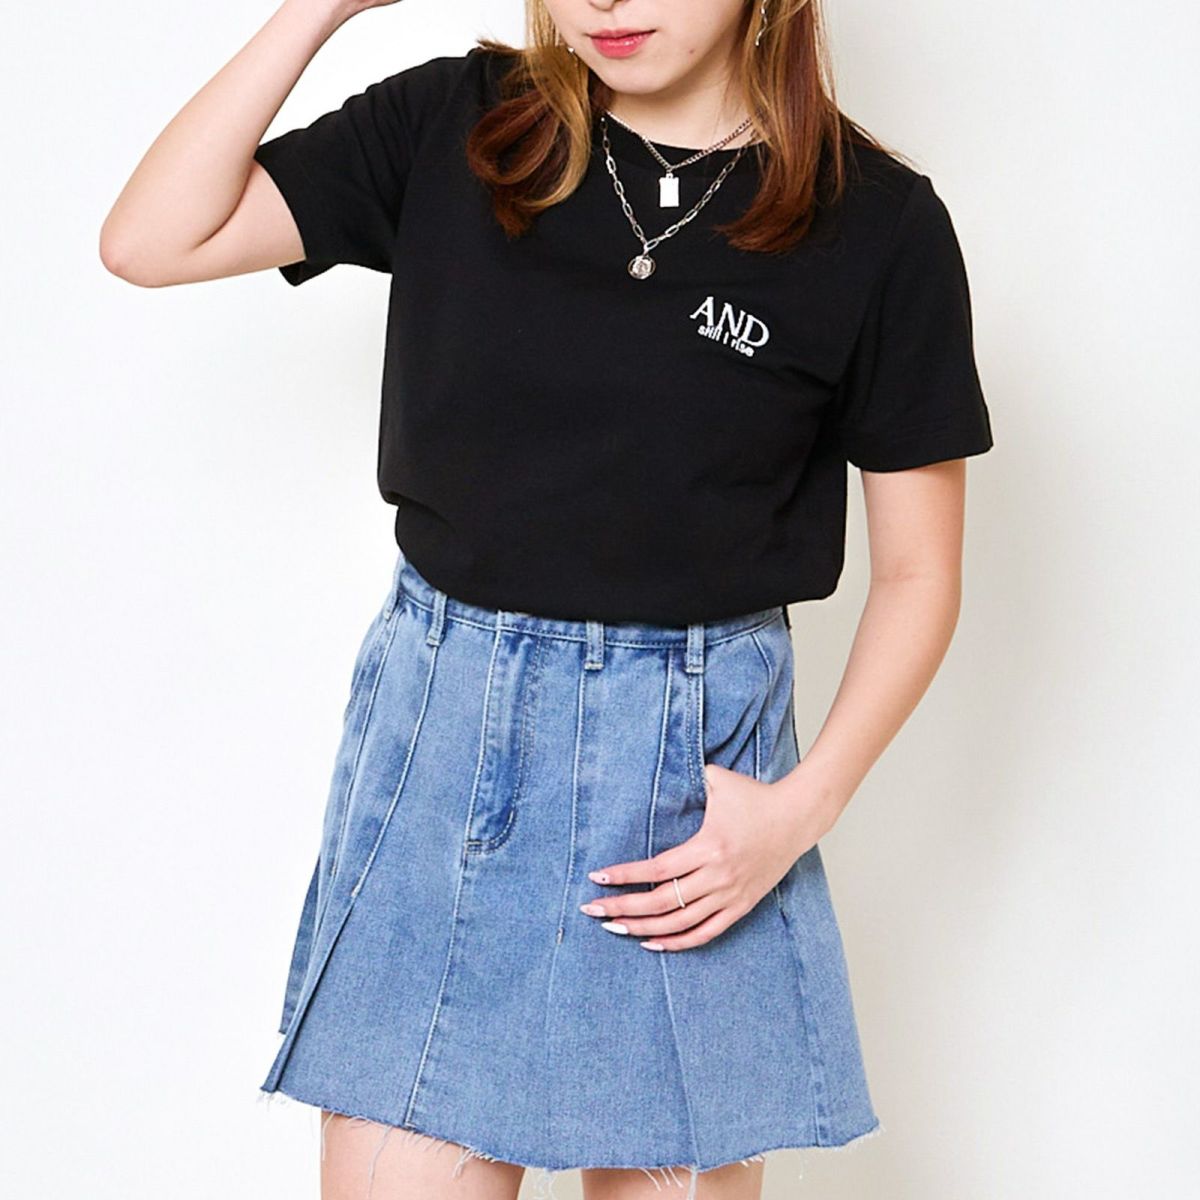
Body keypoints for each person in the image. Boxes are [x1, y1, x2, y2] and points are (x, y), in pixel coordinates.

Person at [100, 1, 994, 1197]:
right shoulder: (461, 123)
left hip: (682, 791)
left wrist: (800, 809)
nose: (605, 3)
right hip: (444, 743)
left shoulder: (876, 223)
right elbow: (151, 240)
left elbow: (921, 573)